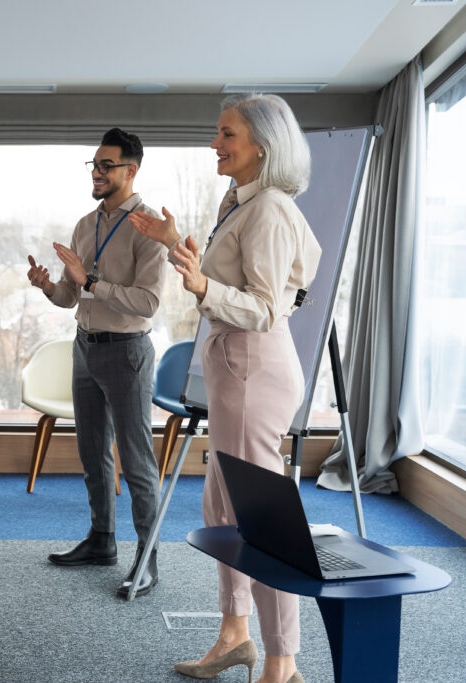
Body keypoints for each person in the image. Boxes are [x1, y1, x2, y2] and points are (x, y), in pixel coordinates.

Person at [129, 94, 320, 683]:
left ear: (263, 143)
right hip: (232, 373)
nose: (215, 143)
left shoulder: (269, 209)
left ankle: (282, 662)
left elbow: (265, 308)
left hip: (254, 371)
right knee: (222, 509)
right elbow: (223, 277)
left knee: (259, 520)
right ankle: (235, 636)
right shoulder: (240, 201)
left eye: (227, 133)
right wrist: (176, 244)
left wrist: (202, 287)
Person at [26, 128, 167, 598]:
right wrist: (50, 286)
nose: (98, 172)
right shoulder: (85, 225)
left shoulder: (149, 226)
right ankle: (102, 540)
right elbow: (71, 297)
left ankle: (146, 559)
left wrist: (90, 281)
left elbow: (147, 302)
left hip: (127, 353)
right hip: (85, 346)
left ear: (132, 170)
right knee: (92, 453)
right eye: (94, 164)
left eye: (107, 165)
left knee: (137, 461)